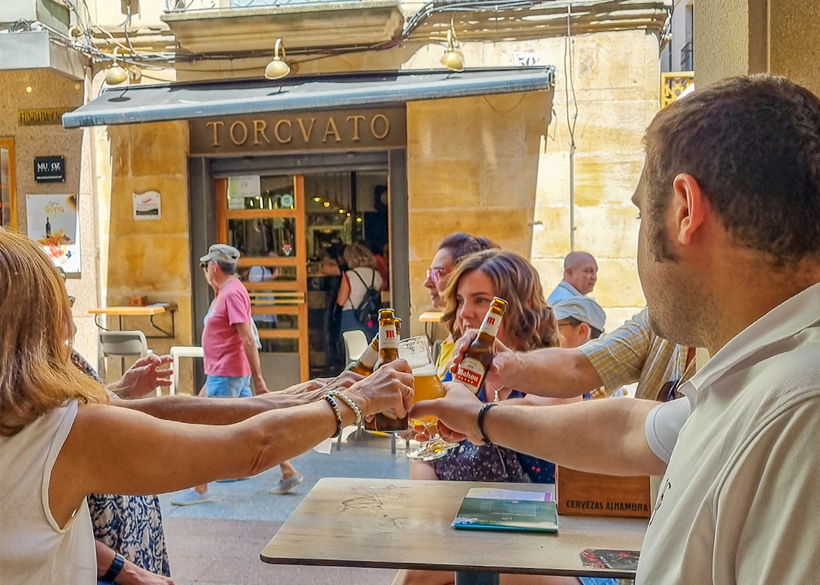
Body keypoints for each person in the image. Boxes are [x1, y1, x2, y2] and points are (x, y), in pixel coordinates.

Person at [414, 75, 820, 585]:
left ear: (685, 209)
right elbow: (627, 427)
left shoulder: (800, 414)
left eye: (640, 212)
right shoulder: (756, 378)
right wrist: (480, 416)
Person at [0, 228, 414, 585]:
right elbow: (250, 448)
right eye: (61, 307)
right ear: (30, 328)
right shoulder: (67, 433)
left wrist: (288, 398)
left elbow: (161, 412)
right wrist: (356, 400)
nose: (71, 327)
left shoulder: (28, 420)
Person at [395, 249, 561, 585]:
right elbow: (425, 458)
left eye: (481, 300)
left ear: (522, 304)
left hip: (537, 540)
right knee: (416, 567)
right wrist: (435, 516)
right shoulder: (459, 374)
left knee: (418, 574)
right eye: (460, 300)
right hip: (461, 533)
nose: (465, 313)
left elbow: (542, 412)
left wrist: (473, 417)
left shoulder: (551, 369)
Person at [171, 244, 301, 505]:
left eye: (206, 266)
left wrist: (260, 379)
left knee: (206, 430)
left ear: (214, 266)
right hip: (224, 372)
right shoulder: (226, 291)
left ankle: (200, 487)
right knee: (258, 422)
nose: (205, 271)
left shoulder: (231, 293)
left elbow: (247, 338)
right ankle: (288, 470)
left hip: (227, 373)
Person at [421, 233, 497, 379]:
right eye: (430, 273)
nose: (427, 283)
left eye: (438, 273)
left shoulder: (475, 348)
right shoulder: (453, 335)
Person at [336, 242, 384, 340]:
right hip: (372, 317)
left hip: (351, 317)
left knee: (353, 348)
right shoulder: (376, 275)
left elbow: (341, 301)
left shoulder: (349, 275)